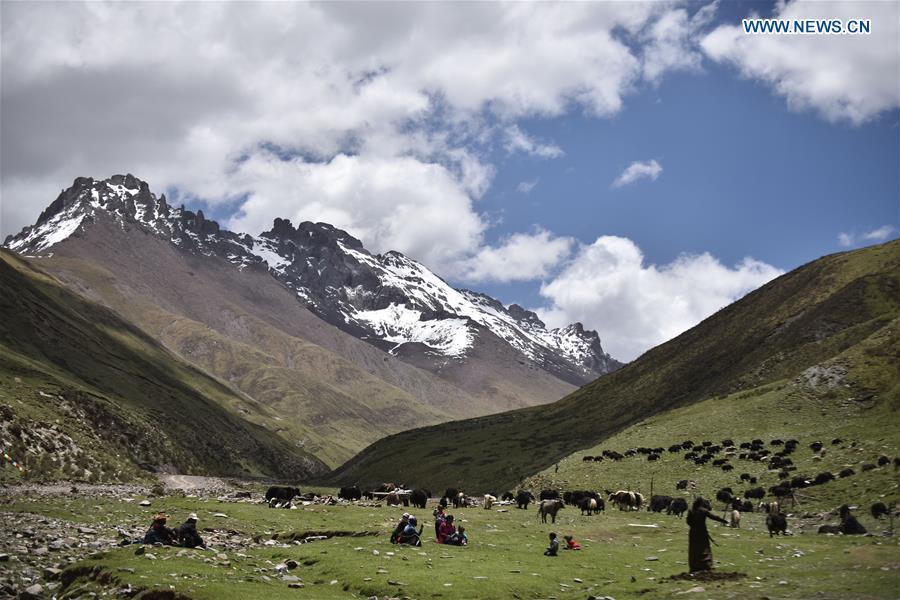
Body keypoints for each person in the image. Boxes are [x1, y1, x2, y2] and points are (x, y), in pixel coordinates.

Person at [686, 497, 727, 572]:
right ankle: (706, 565)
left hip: (693, 533)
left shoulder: (691, 511)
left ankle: (694, 566)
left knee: (694, 549)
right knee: (704, 548)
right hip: (702, 533)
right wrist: (723, 520)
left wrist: (694, 525)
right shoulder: (703, 511)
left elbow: (688, 522)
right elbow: (713, 517)